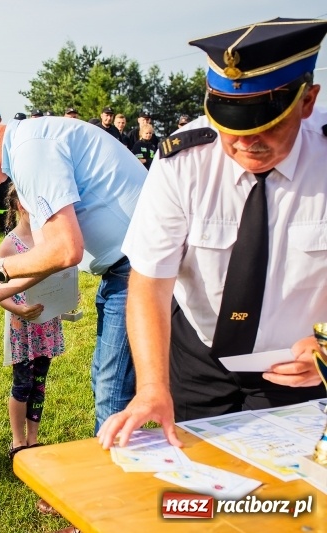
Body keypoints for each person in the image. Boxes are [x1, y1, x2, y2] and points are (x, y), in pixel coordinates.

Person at [98, 17, 327, 451]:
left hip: (300, 363)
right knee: (199, 490)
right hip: (199, 358)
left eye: (267, 124)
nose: (246, 142)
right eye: (232, 125)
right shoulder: (184, 160)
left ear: (308, 101)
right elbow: (149, 281)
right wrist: (151, 386)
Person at [0, 111, 146, 433]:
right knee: (108, 381)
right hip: (128, 268)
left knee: (112, 390)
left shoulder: (30, 152)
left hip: (137, 268)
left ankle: (114, 476)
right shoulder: (27, 147)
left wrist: (0, 267)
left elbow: (66, 250)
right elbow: (47, 257)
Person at [0, 184, 65, 459]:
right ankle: (17, 441)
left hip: (47, 324)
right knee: (22, 384)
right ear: (19, 206)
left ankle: (33, 439)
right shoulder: (9, 245)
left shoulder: (48, 240)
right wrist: (18, 308)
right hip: (21, 327)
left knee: (39, 383)